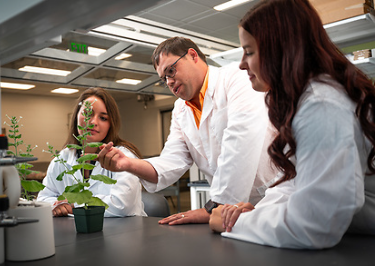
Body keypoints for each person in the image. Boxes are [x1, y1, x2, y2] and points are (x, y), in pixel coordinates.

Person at [209, 0, 375, 249]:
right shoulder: (308, 98)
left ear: (280, 49)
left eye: (249, 51)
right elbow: (296, 182)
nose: (242, 63)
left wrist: (234, 223)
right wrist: (258, 211)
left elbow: (313, 225)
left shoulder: (322, 105)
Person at [97, 37, 278, 225]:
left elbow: (240, 142)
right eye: (164, 78)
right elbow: (172, 161)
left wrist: (213, 207)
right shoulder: (180, 110)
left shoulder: (235, 77)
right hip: (232, 211)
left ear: (192, 55)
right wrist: (128, 164)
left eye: (171, 70)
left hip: (273, 196)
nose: (169, 81)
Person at [37, 87, 146, 217]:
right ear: (76, 116)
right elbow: (43, 199)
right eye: (88, 114)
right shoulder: (63, 158)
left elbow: (121, 205)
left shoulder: (124, 157)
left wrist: (74, 204)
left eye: (103, 118)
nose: (93, 122)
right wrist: (59, 207)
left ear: (111, 124)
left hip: (125, 232)